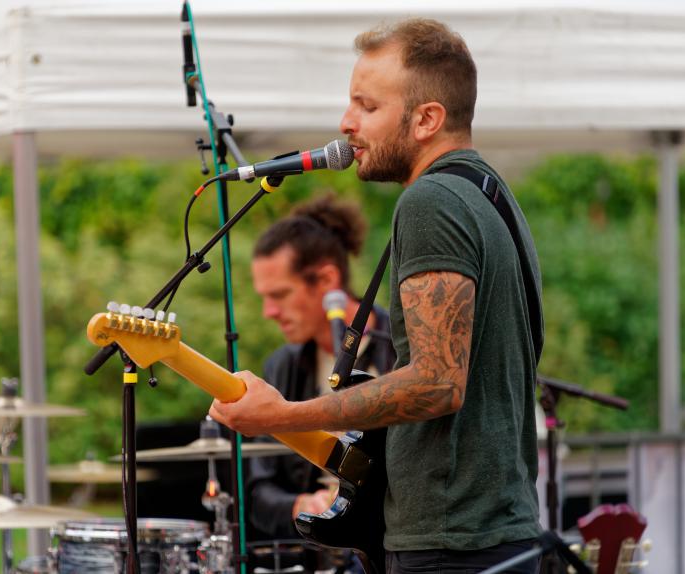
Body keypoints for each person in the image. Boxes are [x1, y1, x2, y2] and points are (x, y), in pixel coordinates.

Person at [212, 18, 543, 574]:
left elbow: (437, 383)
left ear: (426, 119)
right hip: (490, 534)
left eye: (366, 107)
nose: (346, 124)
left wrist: (284, 414)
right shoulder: (491, 195)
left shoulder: (431, 201)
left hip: (447, 545)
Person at [247, 194, 396, 541]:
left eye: (279, 295)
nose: (268, 311)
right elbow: (255, 491)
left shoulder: (403, 350)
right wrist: (301, 503)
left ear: (327, 279)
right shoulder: (282, 366)